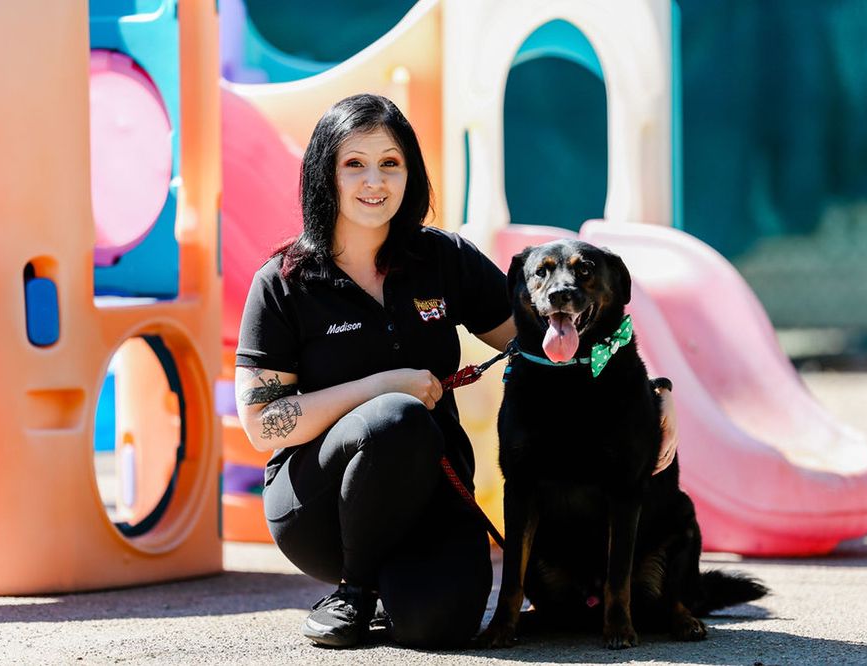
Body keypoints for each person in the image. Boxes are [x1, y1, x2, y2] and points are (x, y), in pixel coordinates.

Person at [233, 93, 679, 649]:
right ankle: (354, 589)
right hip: (318, 510)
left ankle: (391, 595)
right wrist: (382, 386)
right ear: (326, 172)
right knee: (396, 417)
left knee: (442, 626)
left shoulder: (441, 258)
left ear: (411, 172)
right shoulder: (283, 282)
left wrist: (651, 391)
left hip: (430, 499)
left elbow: (556, 340)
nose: (374, 181)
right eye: (354, 163)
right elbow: (263, 424)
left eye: (390, 162)